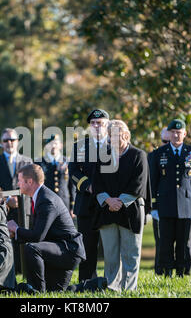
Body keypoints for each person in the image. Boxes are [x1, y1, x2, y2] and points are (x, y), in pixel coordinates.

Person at [7, 164, 86, 292]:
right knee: (56, 291)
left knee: (32, 248)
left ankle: (37, 291)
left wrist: (16, 229)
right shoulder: (41, 196)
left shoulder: (46, 199)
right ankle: (93, 284)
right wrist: (17, 233)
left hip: (68, 250)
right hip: (60, 248)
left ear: (30, 181)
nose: (18, 184)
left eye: (20, 180)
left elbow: (37, 236)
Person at [93, 120, 151, 291]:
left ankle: (128, 288)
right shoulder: (103, 156)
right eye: (111, 135)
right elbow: (97, 183)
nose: (114, 138)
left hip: (131, 210)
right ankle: (112, 286)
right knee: (110, 254)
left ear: (126, 135)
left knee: (130, 253)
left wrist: (120, 202)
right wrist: (108, 200)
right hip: (107, 209)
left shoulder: (138, 155)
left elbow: (139, 183)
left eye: (118, 134)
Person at [149, 119, 191, 277]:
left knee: (184, 242)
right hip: (165, 205)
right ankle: (166, 271)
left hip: (186, 205)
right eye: (173, 132)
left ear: (185, 134)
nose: (176, 135)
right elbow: (153, 182)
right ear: (169, 133)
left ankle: (183, 271)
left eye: (179, 132)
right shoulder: (159, 154)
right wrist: (154, 206)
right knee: (165, 241)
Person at [69, 108, 110, 282]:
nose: (96, 126)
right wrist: (88, 186)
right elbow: (73, 172)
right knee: (87, 247)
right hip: (86, 203)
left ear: (107, 125)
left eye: (100, 123)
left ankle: (111, 281)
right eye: (93, 123)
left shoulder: (115, 145)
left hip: (109, 204)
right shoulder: (79, 146)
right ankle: (86, 282)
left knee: (110, 247)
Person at [0, 128, 32, 273]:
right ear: (2, 143)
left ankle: (26, 273)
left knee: (24, 242)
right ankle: (9, 273)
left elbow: (32, 184)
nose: (9, 143)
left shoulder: (27, 161)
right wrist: (7, 198)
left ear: (17, 142)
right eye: (5, 140)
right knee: (6, 243)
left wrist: (19, 197)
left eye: (12, 140)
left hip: (24, 208)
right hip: (4, 210)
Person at [148, 127, 170, 275]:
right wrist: (153, 205)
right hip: (160, 204)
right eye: (165, 141)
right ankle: (160, 270)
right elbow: (151, 182)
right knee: (161, 240)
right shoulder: (154, 156)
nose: (168, 143)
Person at [36, 134, 76, 217]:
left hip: (64, 204)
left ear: (61, 145)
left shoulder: (68, 162)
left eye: (55, 143)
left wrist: (73, 205)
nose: (53, 146)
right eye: (50, 143)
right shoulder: (39, 163)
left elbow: (72, 186)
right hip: (46, 204)